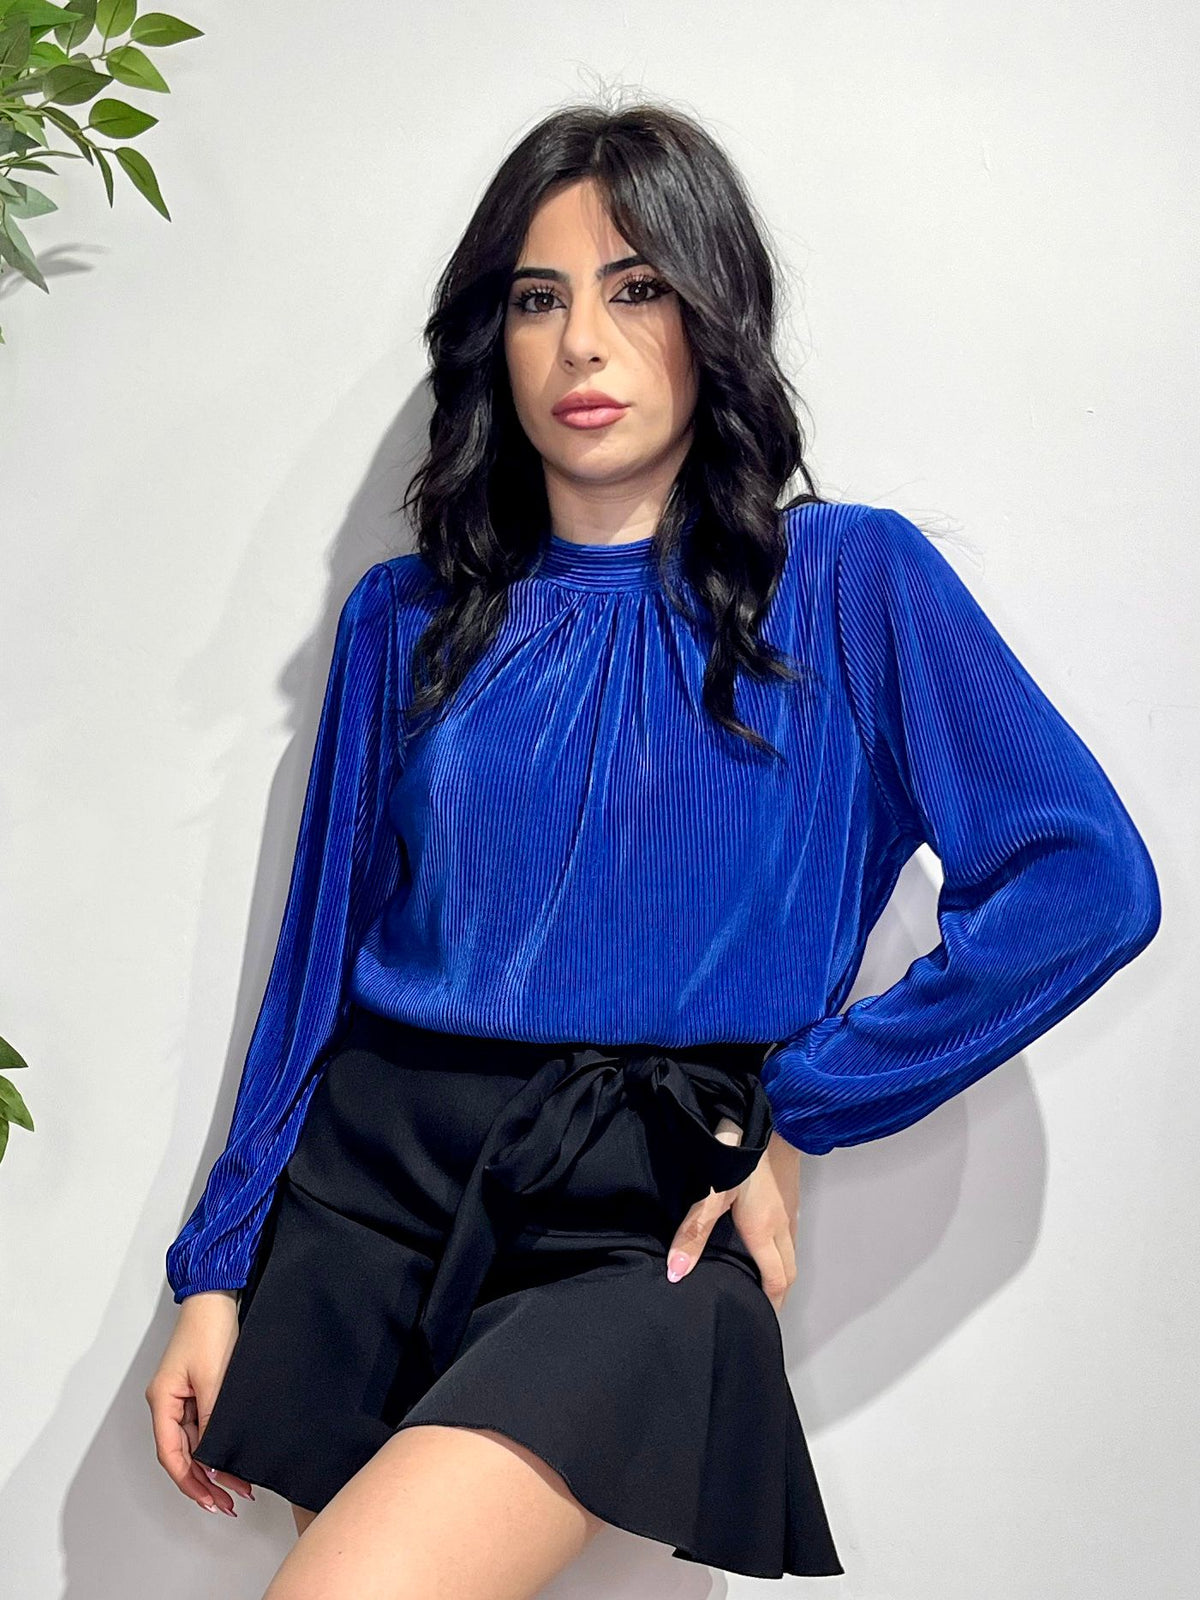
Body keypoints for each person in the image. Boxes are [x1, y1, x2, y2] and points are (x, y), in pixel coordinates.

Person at [145, 99, 1161, 1598]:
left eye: (636, 290)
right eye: (536, 299)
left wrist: (805, 1103)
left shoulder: (852, 583)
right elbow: (316, 967)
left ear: (712, 314)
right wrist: (218, 1264)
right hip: (367, 1198)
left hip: (638, 1214)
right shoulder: (407, 617)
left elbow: (1087, 883)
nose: (582, 345)